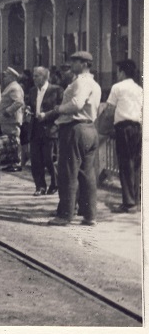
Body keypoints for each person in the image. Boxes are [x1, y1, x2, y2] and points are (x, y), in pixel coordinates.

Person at [44, 52, 102, 226]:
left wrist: (58, 109)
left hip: (74, 129)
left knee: (68, 172)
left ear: (84, 64)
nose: (71, 65)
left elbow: (77, 103)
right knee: (88, 174)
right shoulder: (95, 84)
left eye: (74, 62)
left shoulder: (81, 82)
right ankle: (90, 214)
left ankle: (65, 214)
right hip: (90, 128)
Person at [105, 59, 143, 213]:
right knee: (136, 163)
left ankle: (128, 202)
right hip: (137, 127)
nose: (117, 74)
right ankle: (136, 199)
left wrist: (107, 126)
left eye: (118, 71)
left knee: (125, 163)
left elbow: (109, 110)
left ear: (122, 72)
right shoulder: (139, 89)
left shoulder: (117, 87)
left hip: (123, 128)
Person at [27, 66, 63, 196]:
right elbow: (30, 105)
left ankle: (55, 184)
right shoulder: (32, 91)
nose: (34, 78)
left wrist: (46, 115)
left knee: (49, 158)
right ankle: (40, 186)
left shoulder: (56, 90)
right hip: (35, 127)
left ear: (45, 77)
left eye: (37, 76)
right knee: (36, 159)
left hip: (50, 128)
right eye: (34, 75)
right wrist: (28, 111)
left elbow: (59, 109)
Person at [0, 67, 25, 172]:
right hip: (7, 120)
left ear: (12, 77)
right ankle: (12, 162)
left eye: (6, 76)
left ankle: (16, 163)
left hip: (11, 120)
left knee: (14, 141)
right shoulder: (10, 87)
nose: (4, 78)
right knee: (10, 141)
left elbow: (18, 102)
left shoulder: (14, 88)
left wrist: (8, 111)